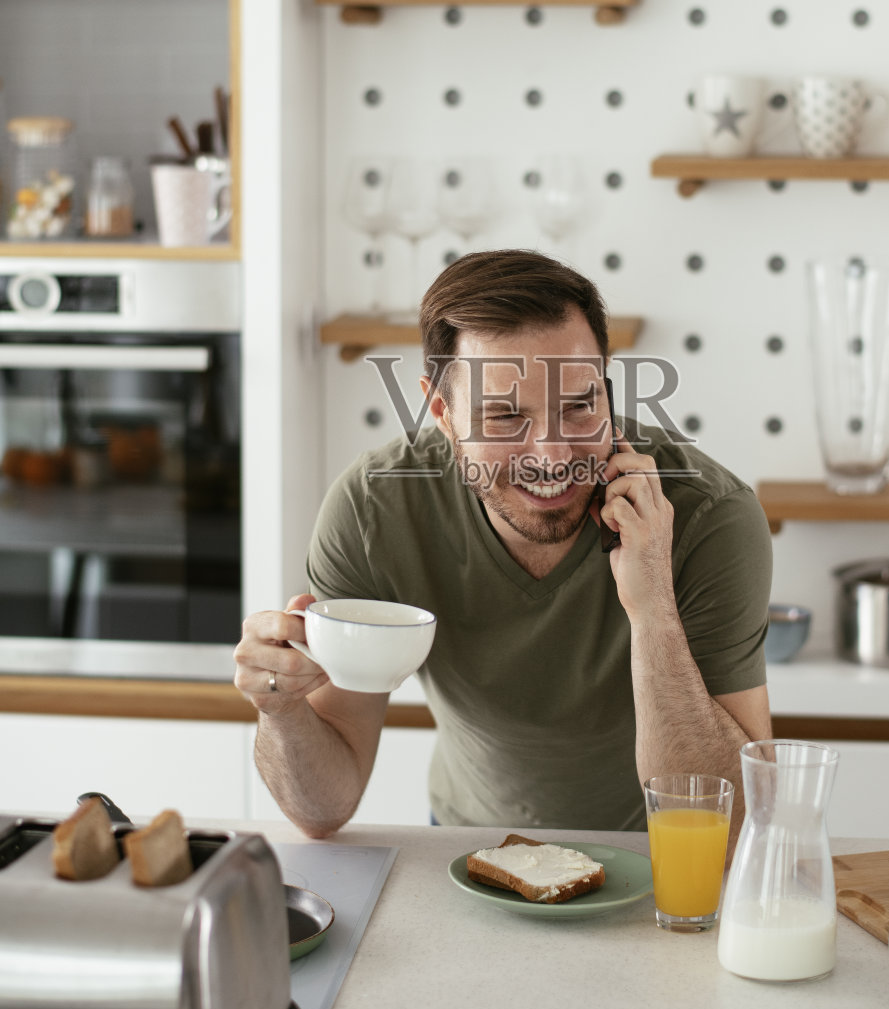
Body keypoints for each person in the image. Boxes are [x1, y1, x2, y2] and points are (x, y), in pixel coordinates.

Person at [234, 250, 773, 841]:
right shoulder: (374, 512)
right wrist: (280, 711)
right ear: (443, 412)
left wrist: (652, 613)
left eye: (579, 405)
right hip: (472, 846)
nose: (551, 456)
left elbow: (735, 827)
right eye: (504, 417)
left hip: (658, 857)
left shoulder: (708, 516)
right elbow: (322, 809)